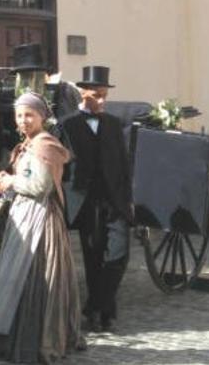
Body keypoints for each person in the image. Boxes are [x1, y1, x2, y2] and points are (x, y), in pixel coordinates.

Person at [0, 92, 85, 363]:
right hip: (23, 215)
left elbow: (40, 187)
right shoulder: (27, 145)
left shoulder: (45, 146)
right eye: (19, 115)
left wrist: (11, 182)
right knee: (15, 275)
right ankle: (9, 335)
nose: (23, 120)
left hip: (40, 221)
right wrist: (11, 178)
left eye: (29, 114)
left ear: (42, 116)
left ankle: (36, 340)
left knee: (33, 276)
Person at [60, 66, 133, 333]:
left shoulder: (113, 124)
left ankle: (93, 305)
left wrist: (128, 199)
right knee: (93, 259)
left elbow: (124, 165)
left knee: (119, 254)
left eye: (104, 95)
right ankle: (103, 314)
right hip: (86, 202)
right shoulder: (67, 125)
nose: (101, 101)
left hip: (114, 200)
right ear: (82, 93)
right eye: (95, 95)